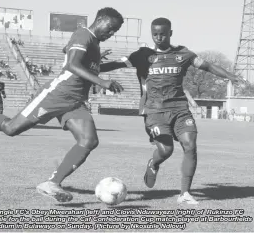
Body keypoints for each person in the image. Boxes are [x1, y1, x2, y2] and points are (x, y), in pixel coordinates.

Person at [100, 17, 244, 205]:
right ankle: (154, 163)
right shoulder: (141, 55)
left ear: (170, 33)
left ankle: (185, 193)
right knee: (166, 150)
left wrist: (229, 76)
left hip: (179, 109)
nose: (158, 37)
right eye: (155, 34)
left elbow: (207, 66)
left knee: (190, 145)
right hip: (154, 111)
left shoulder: (183, 55)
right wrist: (94, 65)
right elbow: (115, 65)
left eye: (162, 34)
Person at [0, 7, 124, 202]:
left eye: (115, 31)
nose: (111, 33)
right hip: (56, 95)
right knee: (10, 128)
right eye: (110, 28)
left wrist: (122, 62)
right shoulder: (83, 34)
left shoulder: (93, 43)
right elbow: (71, 65)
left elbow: (79, 61)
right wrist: (101, 82)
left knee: (89, 140)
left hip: (75, 102)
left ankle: (52, 183)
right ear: (100, 19)